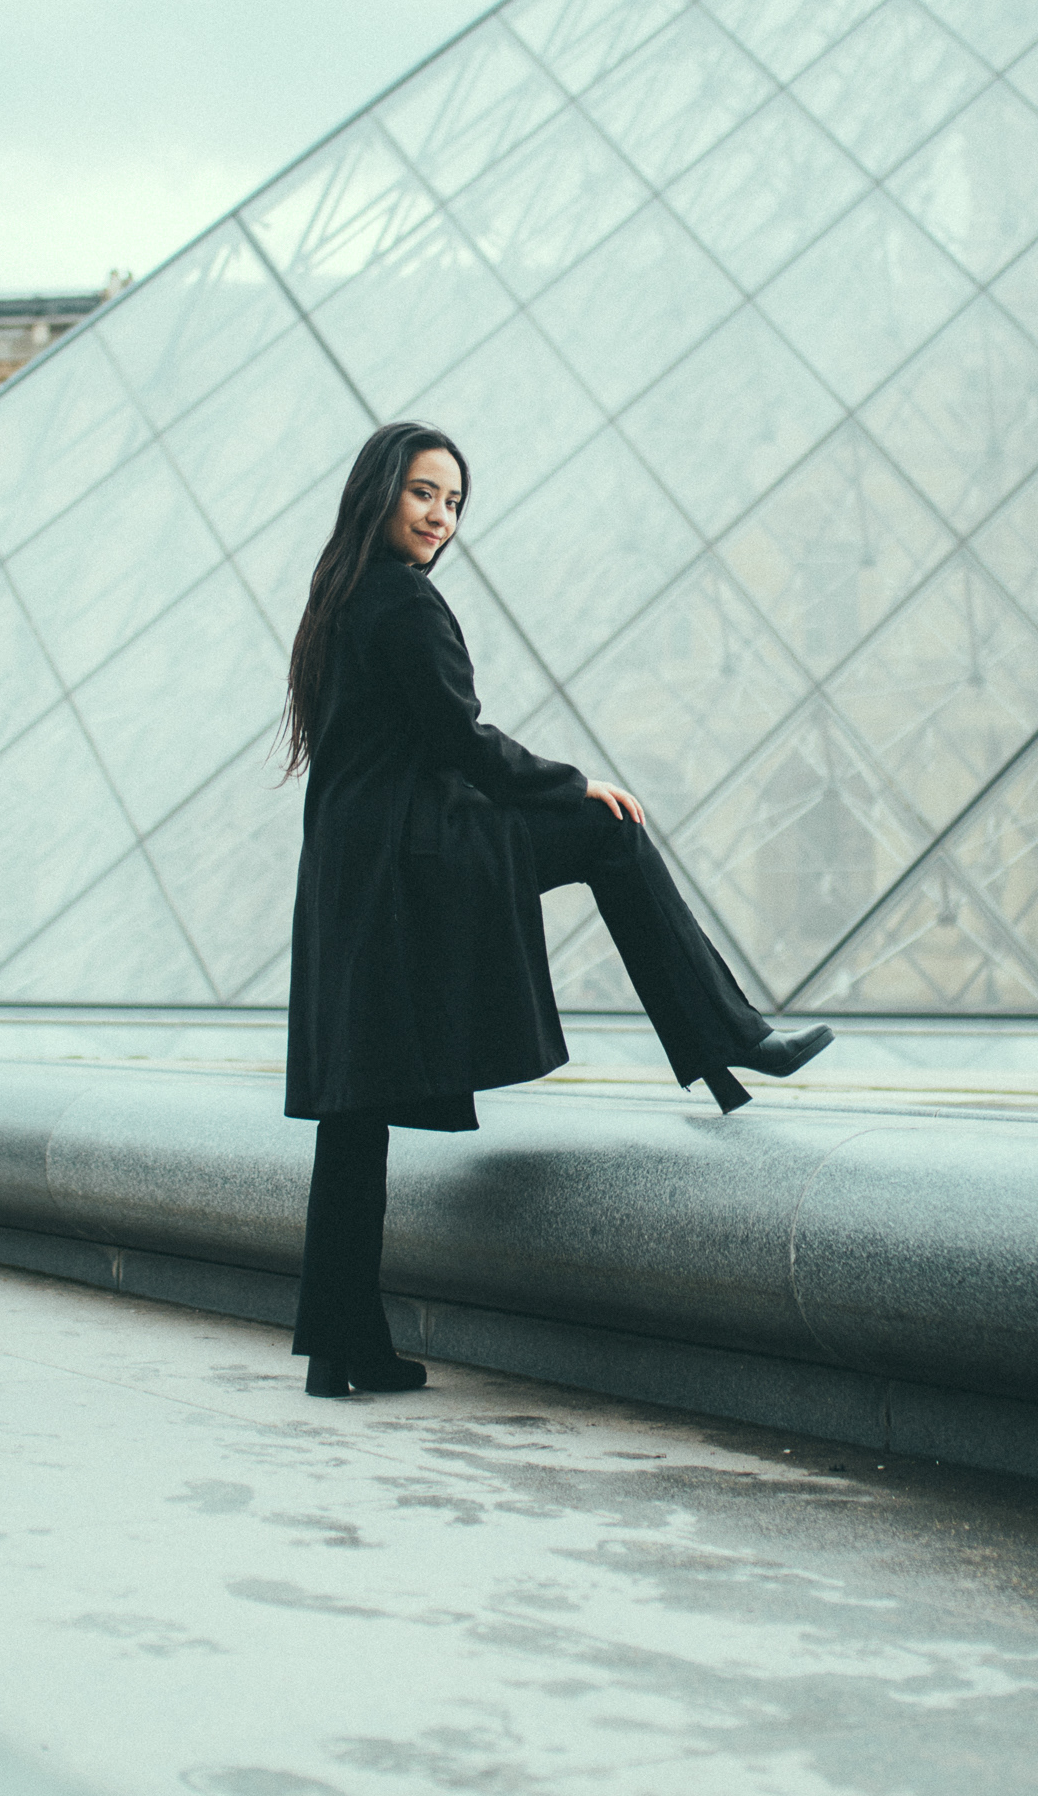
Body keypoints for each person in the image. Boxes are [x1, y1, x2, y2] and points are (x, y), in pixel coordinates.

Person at [279, 421, 832, 1398]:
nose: (440, 516)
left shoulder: (340, 596)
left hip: (348, 871)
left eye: (453, 501)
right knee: (610, 834)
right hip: (417, 858)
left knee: (352, 1112)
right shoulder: (403, 599)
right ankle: (727, 1034)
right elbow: (460, 739)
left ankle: (340, 1347)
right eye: (423, 493)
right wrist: (575, 783)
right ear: (380, 492)